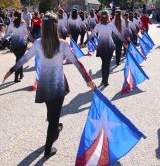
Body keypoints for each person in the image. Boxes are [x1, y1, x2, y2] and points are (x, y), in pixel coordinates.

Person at [3, 14, 95, 158]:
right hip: (58, 86)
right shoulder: (63, 44)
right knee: (53, 117)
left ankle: (54, 131)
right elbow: (77, 63)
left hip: (45, 85)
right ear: (55, 26)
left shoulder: (39, 43)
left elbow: (24, 59)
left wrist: (12, 70)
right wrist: (87, 79)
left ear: (44, 28)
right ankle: (48, 149)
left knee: (52, 116)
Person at [83, 11, 126, 86]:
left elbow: (91, 35)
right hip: (109, 46)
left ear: (101, 17)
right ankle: (105, 80)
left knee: (104, 63)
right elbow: (118, 34)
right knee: (107, 63)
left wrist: (84, 43)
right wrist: (124, 41)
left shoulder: (98, 26)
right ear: (108, 17)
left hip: (102, 47)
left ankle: (104, 80)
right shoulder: (111, 25)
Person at [3, 11, 33, 82]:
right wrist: (33, 41)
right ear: (21, 16)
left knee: (19, 59)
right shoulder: (23, 24)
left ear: (14, 16)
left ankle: (21, 74)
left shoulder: (11, 24)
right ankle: (16, 78)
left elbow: (7, 34)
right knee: (19, 60)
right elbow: (28, 34)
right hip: (22, 45)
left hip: (13, 46)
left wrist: (3, 40)